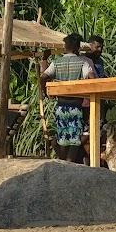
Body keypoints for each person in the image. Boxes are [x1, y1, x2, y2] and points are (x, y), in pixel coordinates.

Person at [40, 33, 94, 163]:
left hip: (61, 106)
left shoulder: (56, 63)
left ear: (65, 47)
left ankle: (63, 161)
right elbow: (91, 77)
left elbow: (43, 77)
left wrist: (46, 92)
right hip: (76, 106)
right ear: (77, 48)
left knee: (62, 136)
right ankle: (68, 162)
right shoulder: (83, 62)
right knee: (75, 138)